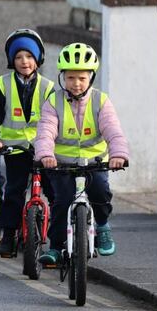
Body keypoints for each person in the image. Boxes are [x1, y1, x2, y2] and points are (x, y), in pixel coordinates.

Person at [36, 43, 129, 265]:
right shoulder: (53, 102)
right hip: (61, 164)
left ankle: (103, 226)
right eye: (70, 78)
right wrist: (45, 155)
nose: (76, 84)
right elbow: (45, 132)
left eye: (81, 78)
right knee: (62, 201)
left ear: (91, 78)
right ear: (62, 78)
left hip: (94, 163)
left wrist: (118, 155)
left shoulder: (101, 101)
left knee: (100, 191)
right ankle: (57, 247)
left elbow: (114, 131)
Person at [0, 29, 55, 256]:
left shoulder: (49, 87)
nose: (24, 62)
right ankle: (8, 235)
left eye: (29, 56)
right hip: (15, 149)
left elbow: (57, 119)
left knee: (55, 191)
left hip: (43, 149)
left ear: (38, 59)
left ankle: (58, 239)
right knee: (14, 191)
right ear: (11, 60)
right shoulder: (2, 84)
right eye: (18, 57)